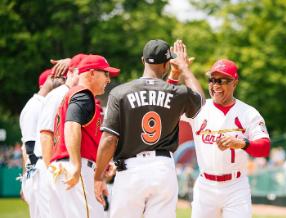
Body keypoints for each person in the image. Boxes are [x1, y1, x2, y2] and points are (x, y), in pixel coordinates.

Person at [94, 39, 205, 218]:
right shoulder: (176, 92)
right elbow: (200, 102)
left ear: (142, 60)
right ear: (167, 64)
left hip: (130, 170)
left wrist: (98, 176)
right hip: (163, 169)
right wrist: (183, 68)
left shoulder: (120, 93)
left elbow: (109, 139)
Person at [181, 59, 270, 218]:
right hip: (205, 185)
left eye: (222, 80)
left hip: (236, 186)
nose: (215, 85)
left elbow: (264, 148)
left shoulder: (248, 113)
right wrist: (178, 72)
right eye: (212, 80)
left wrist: (242, 143)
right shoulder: (199, 109)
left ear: (235, 83)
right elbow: (165, 109)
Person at [48, 54, 120, 218]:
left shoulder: (75, 95)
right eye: (106, 74)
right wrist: (75, 164)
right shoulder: (83, 94)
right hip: (75, 167)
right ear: (92, 73)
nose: (108, 79)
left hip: (61, 168)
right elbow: (71, 125)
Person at [19, 67, 65, 218]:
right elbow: (28, 148)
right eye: (60, 79)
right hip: (39, 169)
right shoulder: (35, 106)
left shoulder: (46, 103)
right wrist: (26, 181)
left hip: (44, 168)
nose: (62, 82)